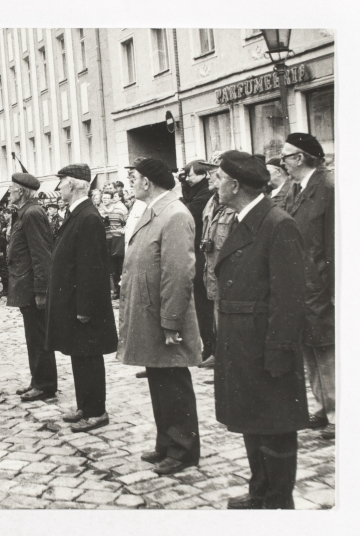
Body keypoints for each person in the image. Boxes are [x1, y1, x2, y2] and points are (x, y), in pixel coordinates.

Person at [208, 150, 308, 509]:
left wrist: (280, 351)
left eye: (218, 178)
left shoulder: (277, 223)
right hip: (243, 342)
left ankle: (278, 502)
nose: (214, 184)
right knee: (253, 420)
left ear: (234, 185)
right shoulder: (243, 219)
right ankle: (260, 491)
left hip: (265, 345)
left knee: (275, 427)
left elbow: (291, 296)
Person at [118, 158, 202, 475]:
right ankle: (166, 443)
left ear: (148, 183)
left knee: (174, 384)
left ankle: (184, 451)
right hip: (152, 315)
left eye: (134, 178)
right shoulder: (156, 210)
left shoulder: (175, 214)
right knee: (160, 382)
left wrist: (171, 321)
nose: (131, 183)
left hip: (164, 318)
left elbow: (178, 273)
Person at [46, 164, 118, 432]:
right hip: (74, 302)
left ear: (75, 184)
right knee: (79, 354)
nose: (59, 188)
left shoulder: (87, 216)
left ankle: (96, 411)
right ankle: (84, 406)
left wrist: (85, 307)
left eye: (62, 182)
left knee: (88, 356)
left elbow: (91, 267)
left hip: (83, 304)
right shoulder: (78, 214)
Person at [280, 133, 335, 440]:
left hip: (322, 287)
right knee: (311, 349)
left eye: (286, 156)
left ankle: (340, 413)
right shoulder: (295, 188)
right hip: (302, 285)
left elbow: (336, 244)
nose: (283, 161)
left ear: (299, 158)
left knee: (327, 351)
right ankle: (324, 407)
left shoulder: (327, 186)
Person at [6, 173, 58, 402]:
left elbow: (41, 255)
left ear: (21, 192)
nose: (8, 193)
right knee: (33, 336)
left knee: (38, 337)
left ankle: (45, 384)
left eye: (11, 189)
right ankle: (38, 380)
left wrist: (41, 291)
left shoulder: (32, 213)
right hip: (24, 283)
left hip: (32, 286)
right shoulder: (23, 212)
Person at [200, 156, 238, 370]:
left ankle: (228, 355)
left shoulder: (233, 206)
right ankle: (219, 352)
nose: (209, 177)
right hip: (212, 268)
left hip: (228, 272)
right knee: (216, 312)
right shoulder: (211, 202)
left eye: (213, 173)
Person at [180, 160, 217, 367]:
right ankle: (208, 346)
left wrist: (183, 192)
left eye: (192, 175)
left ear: (204, 175)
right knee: (200, 306)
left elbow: (190, 209)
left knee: (206, 304)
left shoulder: (206, 194)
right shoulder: (195, 191)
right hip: (197, 250)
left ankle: (213, 347)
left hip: (203, 253)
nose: (188, 179)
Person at [100, 191, 128, 299]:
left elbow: (127, 222)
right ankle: (115, 291)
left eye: (107, 198)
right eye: (103, 198)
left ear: (112, 199)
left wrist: (123, 230)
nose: (105, 200)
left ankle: (122, 290)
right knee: (110, 268)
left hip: (117, 240)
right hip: (105, 240)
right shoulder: (100, 211)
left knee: (119, 266)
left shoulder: (120, 210)